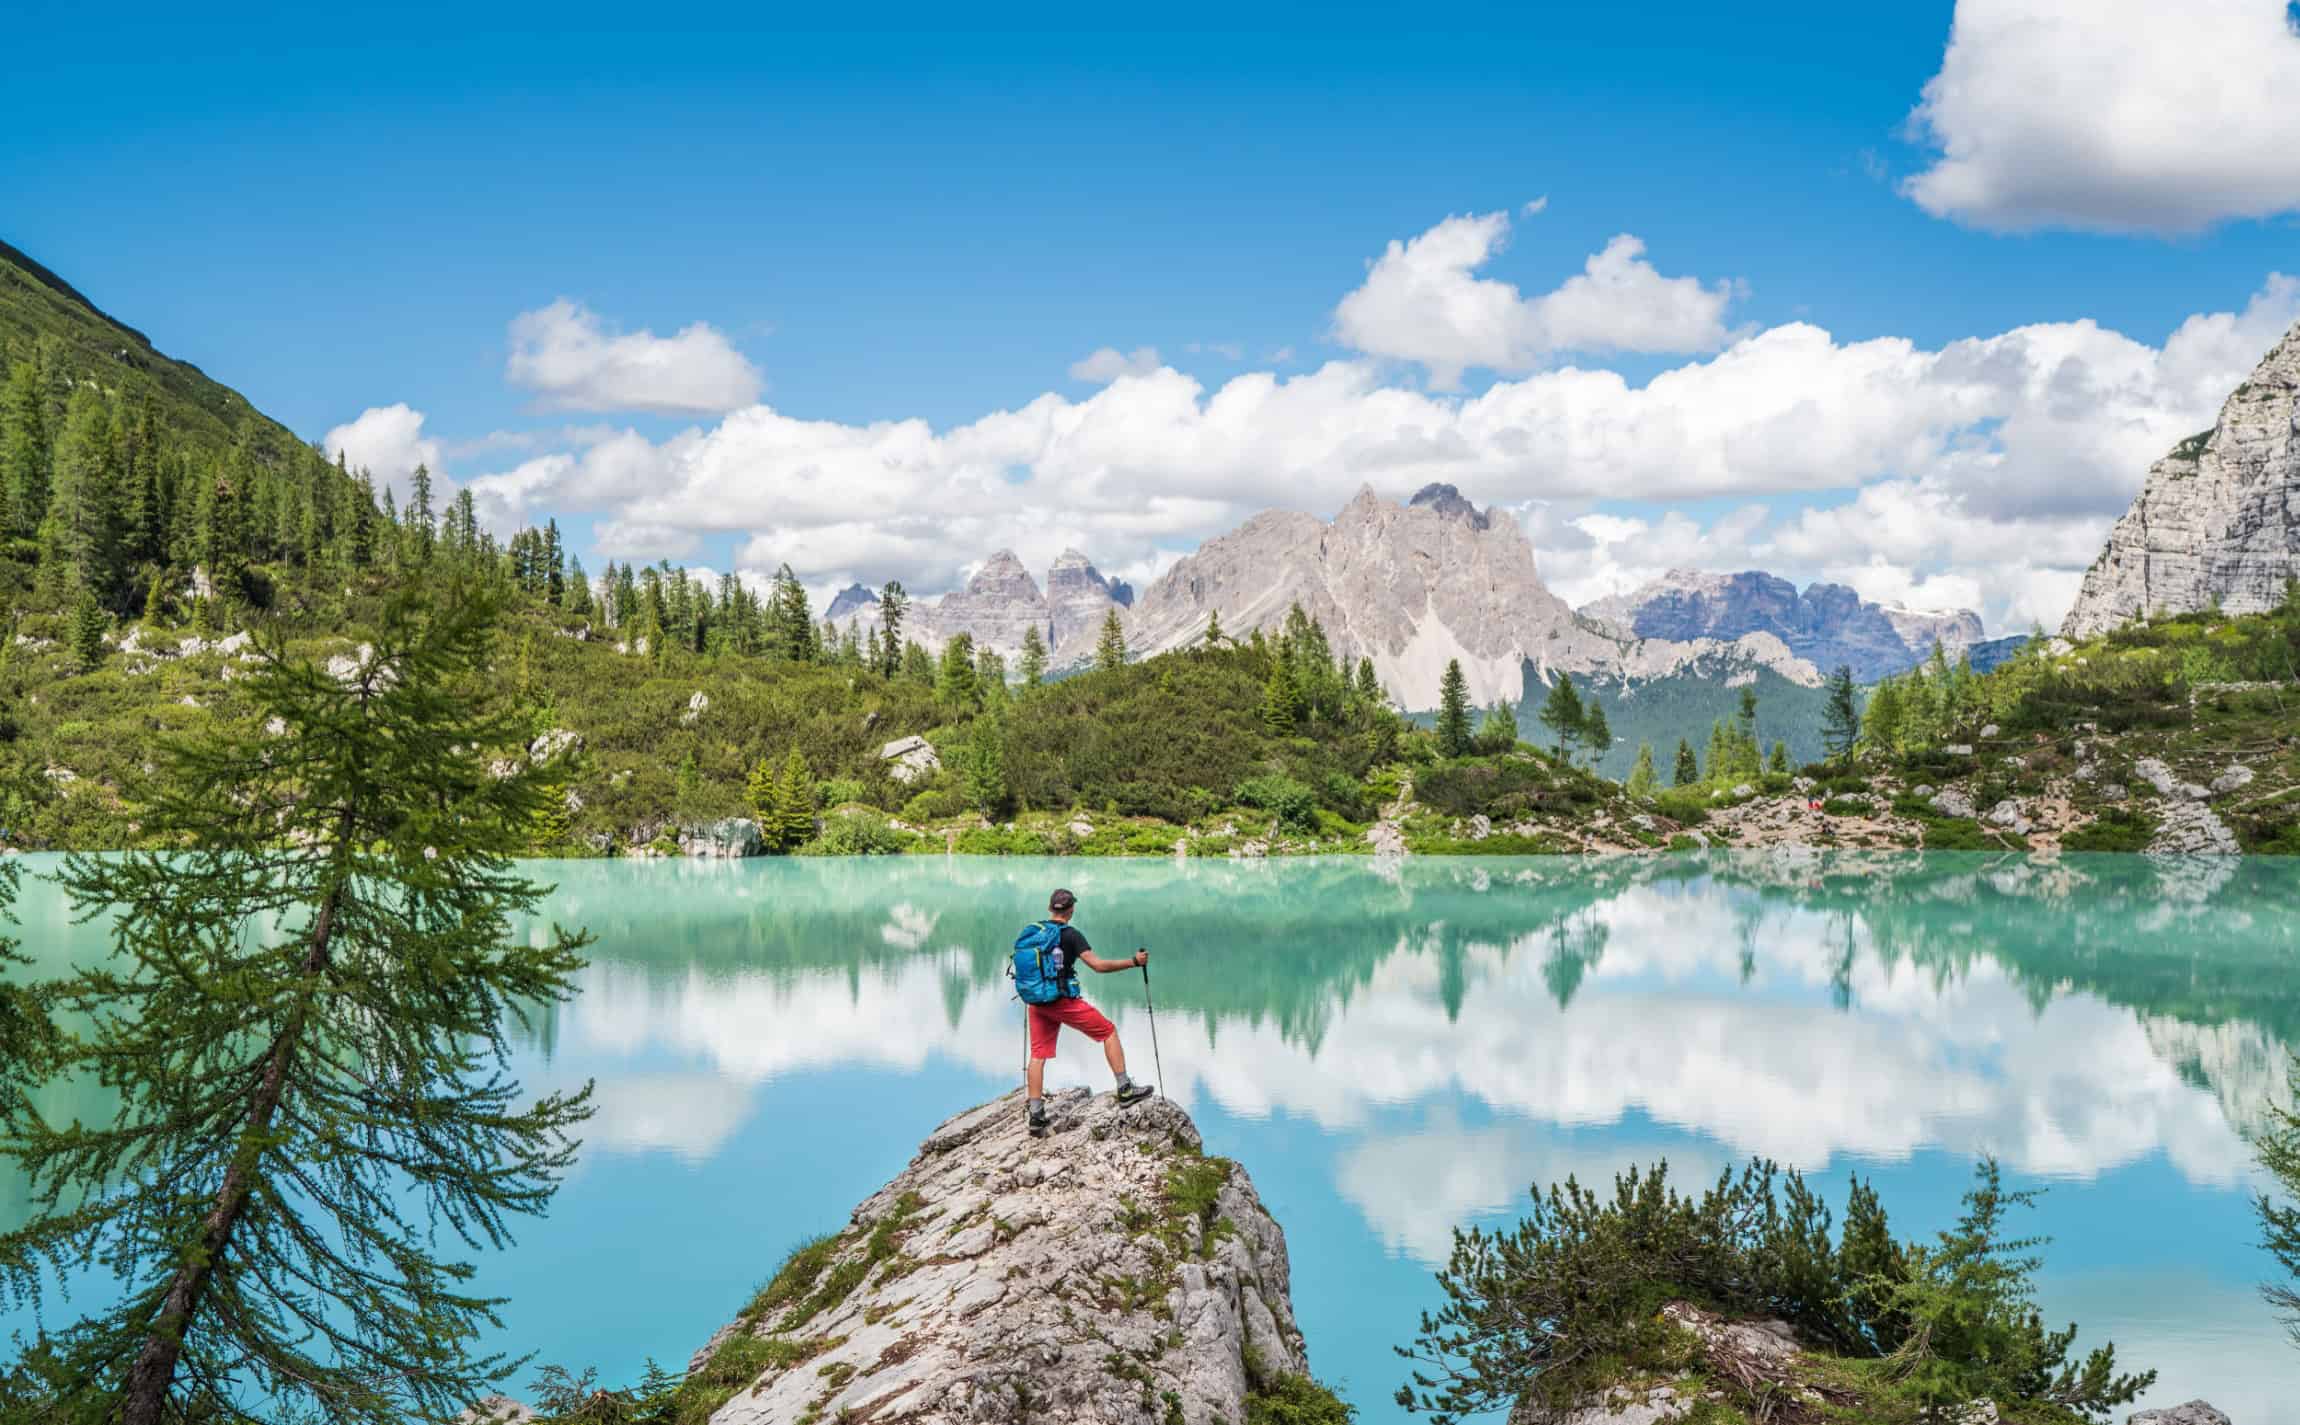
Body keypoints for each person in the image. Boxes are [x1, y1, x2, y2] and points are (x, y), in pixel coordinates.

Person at [1024, 887, 1154, 1137]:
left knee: (1038, 1055)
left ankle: (1036, 1116)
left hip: (1036, 1001)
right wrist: (1133, 962)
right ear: (1071, 910)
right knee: (1108, 1032)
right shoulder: (1071, 935)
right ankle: (1125, 1089)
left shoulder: (1035, 932)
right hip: (1061, 1001)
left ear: (1050, 908)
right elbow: (1098, 966)